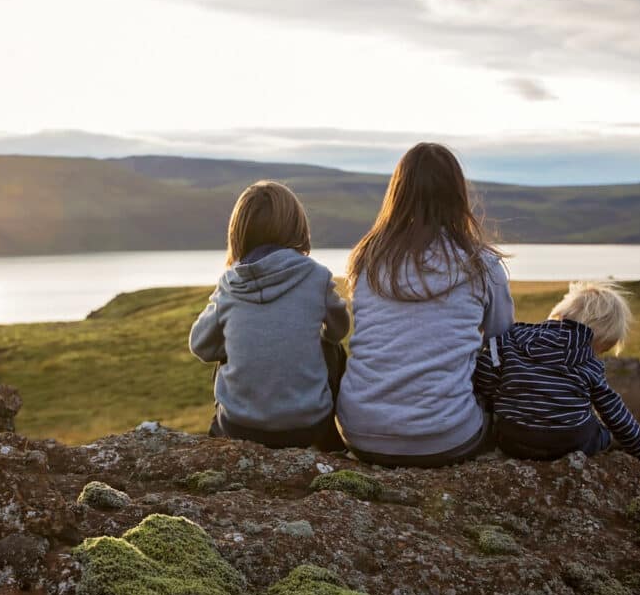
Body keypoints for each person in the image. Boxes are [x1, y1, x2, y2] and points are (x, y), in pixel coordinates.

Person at [336, 143, 514, 467]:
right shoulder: (483, 264)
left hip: (360, 432)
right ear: (457, 196)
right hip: (448, 437)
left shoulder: (367, 261)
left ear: (398, 195)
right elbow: (504, 340)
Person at [189, 180, 350, 450]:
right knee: (331, 349)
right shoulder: (317, 276)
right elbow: (339, 330)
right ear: (296, 226)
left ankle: (218, 446)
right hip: (309, 427)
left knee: (223, 355)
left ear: (239, 232)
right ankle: (331, 442)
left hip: (239, 427)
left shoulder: (231, 283)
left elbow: (200, 346)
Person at [474, 280, 640, 467]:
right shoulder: (589, 361)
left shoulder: (514, 339)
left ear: (560, 313)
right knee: (601, 432)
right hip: (568, 443)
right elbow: (614, 412)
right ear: (597, 339)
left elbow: (484, 375)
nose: (595, 355)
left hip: (512, 440)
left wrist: (506, 399)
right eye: (599, 350)